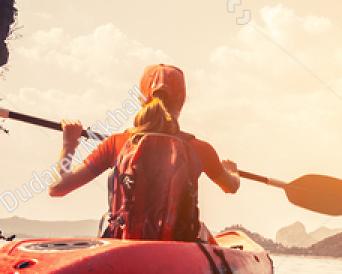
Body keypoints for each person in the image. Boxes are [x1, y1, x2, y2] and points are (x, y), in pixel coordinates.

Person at [48, 64, 239, 241]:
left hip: (123, 246)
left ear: (141, 99)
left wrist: (69, 145)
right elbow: (231, 186)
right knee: (202, 230)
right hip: (178, 248)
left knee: (105, 221)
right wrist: (231, 171)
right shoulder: (200, 149)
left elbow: (57, 188)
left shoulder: (117, 143)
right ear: (182, 101)